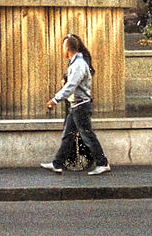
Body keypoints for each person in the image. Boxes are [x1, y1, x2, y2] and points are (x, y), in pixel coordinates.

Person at [41, 31, 110, 175]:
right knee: (68, 136)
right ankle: (57, 164)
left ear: (67, 48)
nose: (62, 50)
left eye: (63, 47)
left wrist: (55, 100)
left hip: (81, 106)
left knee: (87, 136)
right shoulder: (76, 63)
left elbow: (71, 86)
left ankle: (103, 163)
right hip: (76, 106)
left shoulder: (79, 64)